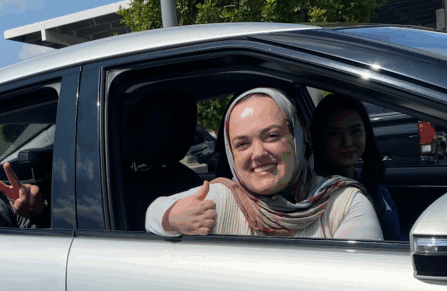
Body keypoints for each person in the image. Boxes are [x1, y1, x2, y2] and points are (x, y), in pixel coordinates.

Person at [145, 88, 382, 240]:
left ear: (297, 139)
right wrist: (171, 218)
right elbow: (153, 213)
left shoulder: (343, 203)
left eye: (272, 136)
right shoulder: (223, 199)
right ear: (230, 153)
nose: (258, 153)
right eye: (242, 144)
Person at [310, 94, 401, 240]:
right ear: (320, 138)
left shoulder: (376, 189)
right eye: (334, 134)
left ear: (366, 133)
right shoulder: (318, 193)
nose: (347, 142)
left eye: (355, 131)